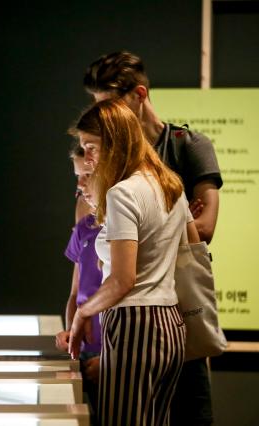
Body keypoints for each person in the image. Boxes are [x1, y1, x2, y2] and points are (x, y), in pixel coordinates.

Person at [82, 51, 223, 426]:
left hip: (175, 302)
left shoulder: (187, 145)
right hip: (126, 302)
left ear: (139, 95)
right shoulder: (111, 160)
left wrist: (151, 222)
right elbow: (92, 228)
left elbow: (203, 228)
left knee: (189, 413)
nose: (106, 117)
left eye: (111, 105)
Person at [68, 99, 200, 426]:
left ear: (115, 141)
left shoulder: (123, 193)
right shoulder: (169, 184)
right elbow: (194, 249)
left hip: (134, 323)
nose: (88, 158)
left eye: (92, 147)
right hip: (171, 322)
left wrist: (84, 312)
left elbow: (122, 280)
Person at [56, 143, 102, 418]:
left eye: (87, 175)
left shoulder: (126, 227)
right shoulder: (84, 228)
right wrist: (70, 334)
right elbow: (75, 292)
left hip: (114, 356)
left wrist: (111, 361)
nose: (81, 186)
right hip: (86, 352)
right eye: (78, 178)